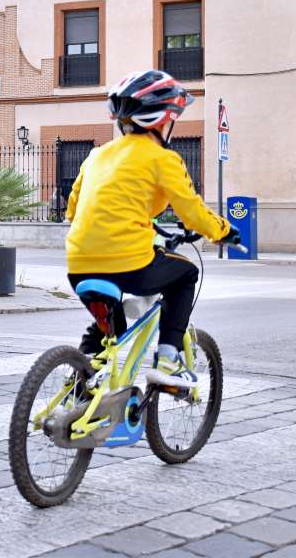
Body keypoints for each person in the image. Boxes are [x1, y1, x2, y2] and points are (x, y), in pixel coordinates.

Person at [66, 69, 239, 389]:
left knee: (109, 331)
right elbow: (193, 212)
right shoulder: (163, 159)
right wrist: (224, 231)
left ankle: (80, 380)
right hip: (128, 262)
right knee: (185, 275)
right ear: (161, 120)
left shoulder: (96, 156)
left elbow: (73, 209)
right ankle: (168, 361)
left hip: (77, 263)